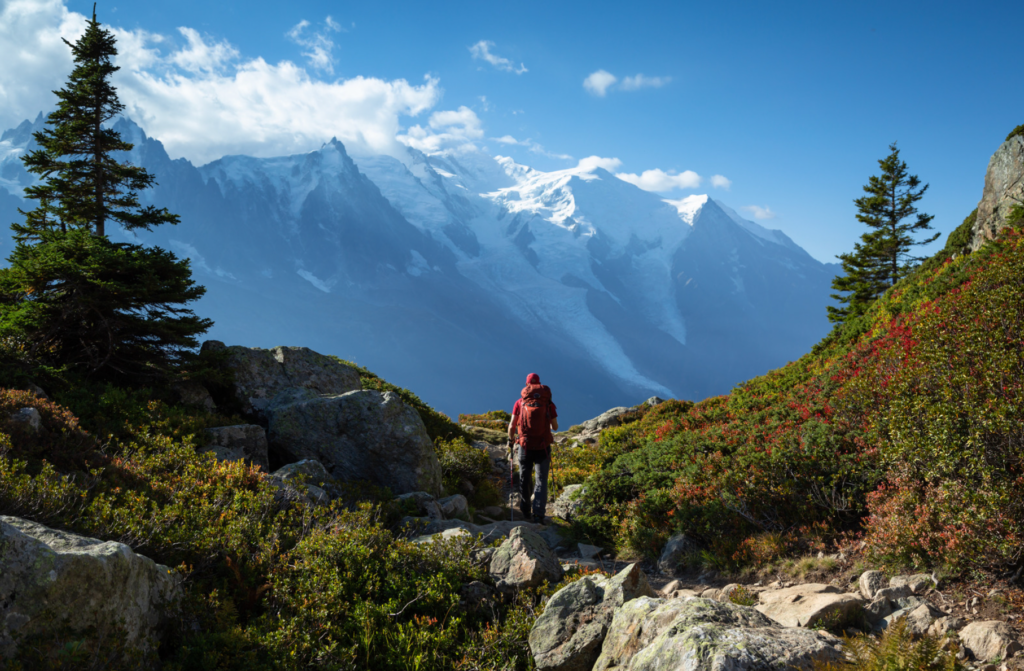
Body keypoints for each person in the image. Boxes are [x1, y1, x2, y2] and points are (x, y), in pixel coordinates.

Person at [507, 372, 558, 523]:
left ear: (527, 385)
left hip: (525, 446)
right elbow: (555, 427)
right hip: (543, 446)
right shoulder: (548, 403)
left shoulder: (519, 402)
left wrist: (511, 440)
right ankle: (539, 514)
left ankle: (525, 510)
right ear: (539, 384)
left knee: (524, 477)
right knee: (541, 479)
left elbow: (511, 426)